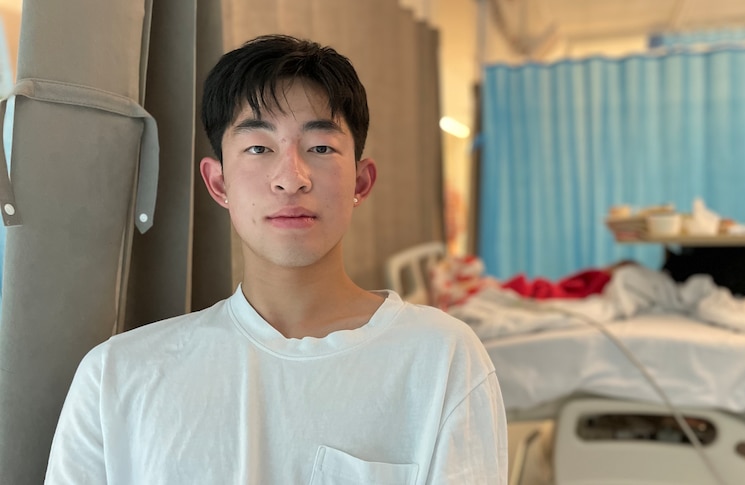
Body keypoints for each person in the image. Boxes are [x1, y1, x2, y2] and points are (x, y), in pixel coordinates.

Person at [45, 35, 508, 484]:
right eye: (259, 148)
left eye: (320, 148)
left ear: (361, 183)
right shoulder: (117, 376)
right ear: (219, 184)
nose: (291, 178)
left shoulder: (440, 358)